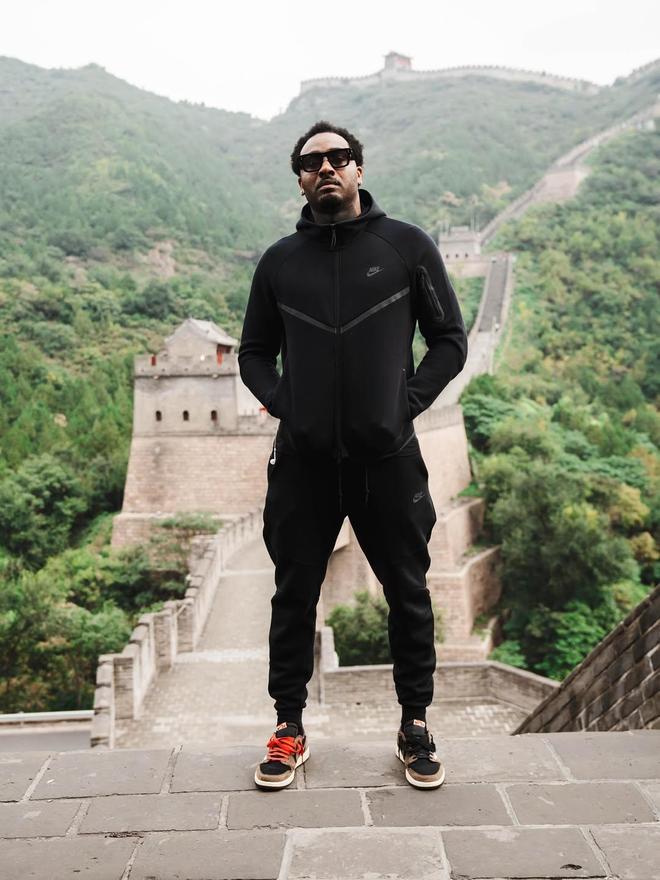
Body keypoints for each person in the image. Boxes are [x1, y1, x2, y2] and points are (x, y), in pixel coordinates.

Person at [238, 121, 468, 790]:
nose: (326, 168)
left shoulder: (406, 248)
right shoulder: (280, 262)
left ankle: (415, 724)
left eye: (339, 157)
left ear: (359, 169)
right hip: (304, 461)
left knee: (408, 593)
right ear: (300, 179)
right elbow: (254, 352)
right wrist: (284, 402)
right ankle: (288, 725)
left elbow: (449, 340)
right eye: (312, 161)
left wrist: (406, 403)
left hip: (386, 457)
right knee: (292, 596)